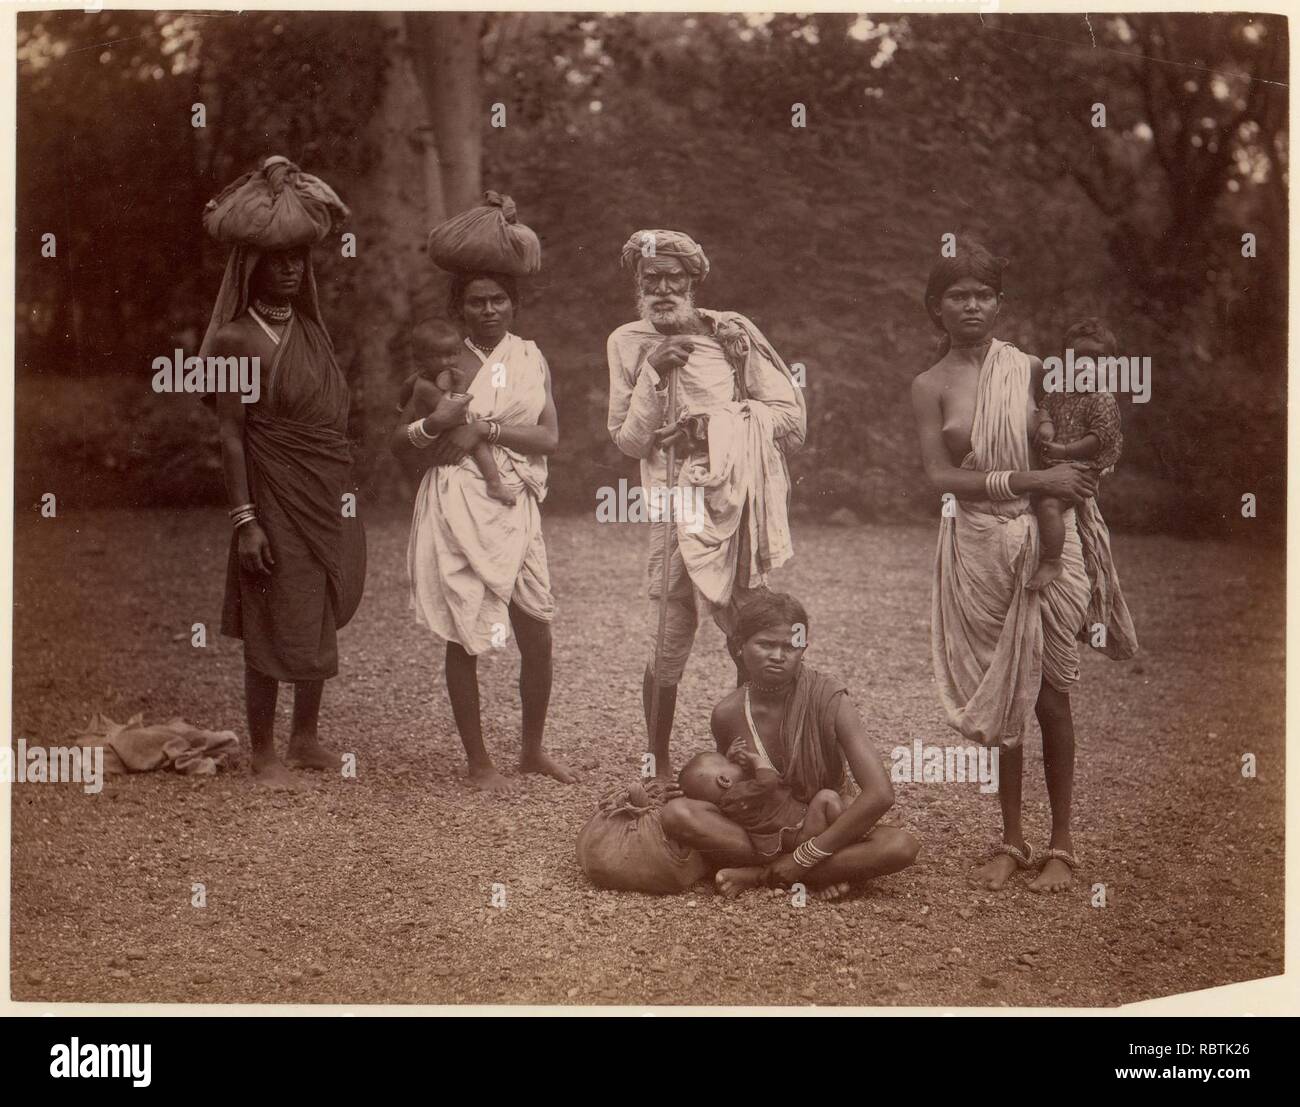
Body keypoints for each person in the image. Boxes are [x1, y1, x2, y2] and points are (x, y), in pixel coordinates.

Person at [910, 239, 1098, 893]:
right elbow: (939, 475)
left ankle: (1063, 843)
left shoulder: (1033, 369)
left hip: (1045, 535)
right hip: (980, 543)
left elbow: (1082, 446)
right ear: (937, 308)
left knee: (1051, 691)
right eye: (957, 295)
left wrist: (1057, 481)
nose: (971, 305)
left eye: (982, 294)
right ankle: (1011, 837)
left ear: (999, 304)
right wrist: (1032, 473)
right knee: (1004, 691)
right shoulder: (929, 385)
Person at [607, 229, 807, 778]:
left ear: (693, 282)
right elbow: (627, 441)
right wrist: (653, 371)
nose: (664, 288)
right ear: (638, 285)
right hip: (674, 506)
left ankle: (756, 754)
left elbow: (790, 420)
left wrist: (708, 428)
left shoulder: (733, 334)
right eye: (652, 279)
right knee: (671, 630)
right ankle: (659, 761)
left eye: (675, 278)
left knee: (746, 625)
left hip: (734, 502)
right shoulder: (626, 342)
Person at [392, 271, 576, 791]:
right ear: (461, 307)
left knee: (536, 630)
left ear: (513, 305)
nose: (489, 309)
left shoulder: (528, 357)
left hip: (513, 500)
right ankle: (479, 762)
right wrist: (432, 426)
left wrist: (485, 428)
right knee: (464, 631)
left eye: (499, 299)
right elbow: (396, 441)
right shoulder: (444, 363)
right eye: (477, 301)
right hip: (460, 502)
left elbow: (549, 437)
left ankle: (532, 750)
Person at [206, 235, 365, 788]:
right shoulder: (235, 338)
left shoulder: (311, 330)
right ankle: (263, 751)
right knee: (271, 608)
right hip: (271, 491)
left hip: (323, 489)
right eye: (277, 261)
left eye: (297, 259)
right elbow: (230, 434)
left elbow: (328, 417)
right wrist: (245, 520)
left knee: (319, 602)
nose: (291, 270)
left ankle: (304, 737)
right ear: (251, 267)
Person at [658, 592, 921, 898]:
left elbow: (880, 793)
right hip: (765, 830)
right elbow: (733, 791)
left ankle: (763, 875)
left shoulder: (829, 698)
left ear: (803, 650)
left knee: (900, 846)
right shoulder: (728, 713)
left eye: (790, 646)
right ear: (738, 646)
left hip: (822, 820)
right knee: (678, 814)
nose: (778, 656)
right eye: (766, 644)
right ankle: (823, 874)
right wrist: (691, 789)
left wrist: (804, 857)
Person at [1034, 319, 1140, 658]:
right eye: (1078, 357)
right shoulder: (1059, 391)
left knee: (1048, 504)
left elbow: (1099, 439)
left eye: (1096, 358)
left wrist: (1064, 451)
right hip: (1052, 463)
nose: (1086, 365)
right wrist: (1047, 427)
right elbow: (1045, 411)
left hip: (1078, 467)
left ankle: (1052, 561)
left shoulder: (1101, 399)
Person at [396, 318, 515, 506]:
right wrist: (460, 386)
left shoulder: (422, 376)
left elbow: (405, 385)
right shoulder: (425, 386)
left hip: (443, 430)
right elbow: (457, 411)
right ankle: (494, 484)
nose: (446, 362)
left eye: (452, 355)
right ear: (420, 359)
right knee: (478, 444)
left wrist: (401, 405)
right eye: (437, 357)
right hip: (444, 432)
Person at [678, 743, 844, 861]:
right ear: (723, 780)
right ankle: (849, 840)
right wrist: (756, 759)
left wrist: (729, 758)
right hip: (801, 832)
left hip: (789, 838)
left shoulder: (729, 804)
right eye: (731, 763)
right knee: (827, 798)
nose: (739, 765)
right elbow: (768, 782)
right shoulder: (740, 793)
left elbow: (743, 781)